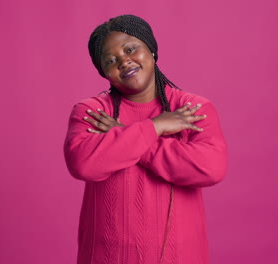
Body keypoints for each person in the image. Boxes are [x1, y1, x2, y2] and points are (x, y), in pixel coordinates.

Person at [63, 14, 228, 264]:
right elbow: (84, 163)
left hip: (179, 256)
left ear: (151, 50)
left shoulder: (191, 108)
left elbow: (210, 169)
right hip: (107, 256)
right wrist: (156, 126)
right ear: (104, 72)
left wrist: (125, 135)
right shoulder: (93, 111)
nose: (124, 61)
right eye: (110, 60)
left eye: (131, 49)